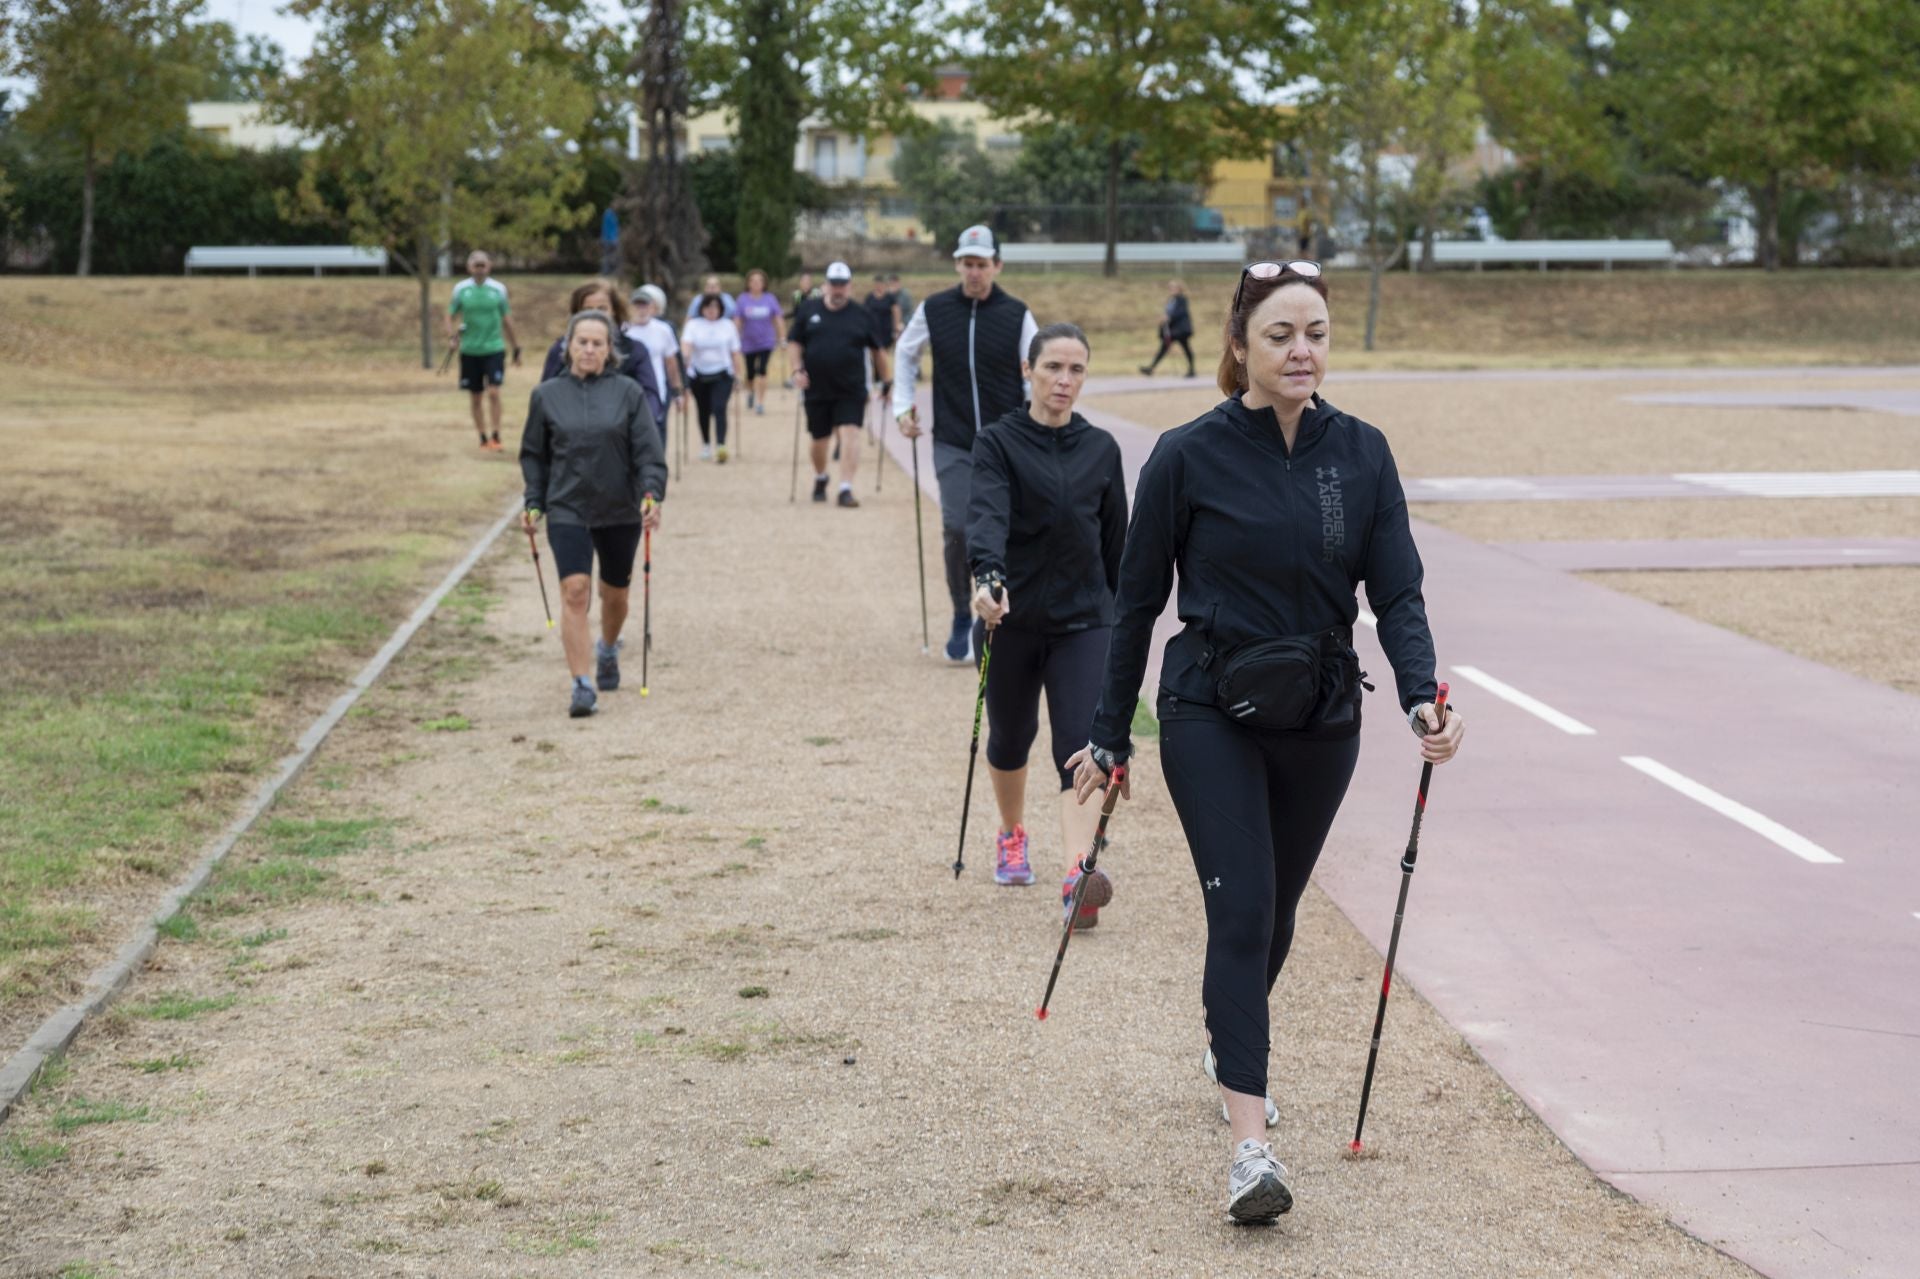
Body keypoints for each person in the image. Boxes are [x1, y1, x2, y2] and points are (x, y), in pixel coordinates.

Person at [1063, 261, 1465, 1224]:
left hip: (1324, 713)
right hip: (1209, 706)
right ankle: (1251, 1145)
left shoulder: (1360, 452)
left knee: (1277, 912)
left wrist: (1421, 697)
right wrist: (1110, 732)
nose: (1302, 350)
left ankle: (1225, 1034)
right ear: (1240, 343)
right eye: (1281, 333)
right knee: (1240, 909)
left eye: (1316, 332)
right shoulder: (1187, 453)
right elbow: (1137, 604)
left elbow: (1397, 591)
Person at [966, 323, 1128, 910]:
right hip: (1011, 617)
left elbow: (1118, 547)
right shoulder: (998, 442)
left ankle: (1077, 875)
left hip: (1085, 619)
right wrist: (986, 578)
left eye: (1076, 370)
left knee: (1080, 746)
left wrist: (1124, 620)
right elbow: (985, 514)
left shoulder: (1100, 450)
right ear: (1028, 371)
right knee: (1011, 736)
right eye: (1053, 367)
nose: (1064, 380)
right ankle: (1011, 834)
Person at [891, 225, 1038, 663]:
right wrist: (903, 406)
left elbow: (1035, 366)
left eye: (982, 264)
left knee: (1001, 530)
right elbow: (905, 353)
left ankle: (989, 612)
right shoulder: (935, 309)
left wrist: (1034, 421)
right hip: (952, 439)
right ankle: (961, 610)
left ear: (997, 265)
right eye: (967, 264)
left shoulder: (1016, 313)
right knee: (957, 526)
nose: (974, 272)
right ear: (958, 264)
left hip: (1007, 442)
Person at [520, 310, 668, 719]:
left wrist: (651, 495)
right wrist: (534, 500)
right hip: (567, 506)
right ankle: (581, 684)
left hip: (619, 507)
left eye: (597, 343)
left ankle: (607, 648)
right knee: (575, 591)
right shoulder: (546, 395)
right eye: (581, 342)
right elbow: (534, 456)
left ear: (609, 350)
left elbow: (648, 455)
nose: (588, 349)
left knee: (614, 593)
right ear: (567, 347)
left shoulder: (628, 393)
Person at [788, 260, 888, 508]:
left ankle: (846, 488)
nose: (838, 289)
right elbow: (794, 342)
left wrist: (887, 381)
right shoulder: (808, 310)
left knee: (850, 432)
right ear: (826, 285)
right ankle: (821, 476)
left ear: (850, 287)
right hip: (816, 387)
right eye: (834, 284)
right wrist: (796, 369)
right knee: (819, 440)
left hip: (851, 388)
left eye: (843, 285)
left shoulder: (862, 315)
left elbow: (878, 351)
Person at [541, 280, 665, 433]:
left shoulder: (634, 351)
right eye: (587, 309)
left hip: (622, 435)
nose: (595, 315)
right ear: (577, 313)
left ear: (614, 310)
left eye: (602, 309)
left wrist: (638, 427)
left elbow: (650, 396)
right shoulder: (561, 350)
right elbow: (546, 397)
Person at [446, 250, 522, 451]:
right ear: (469, 267)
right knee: (476, 396)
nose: (479, 268)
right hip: (470, 350)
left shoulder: (498, 290)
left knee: (494, 392)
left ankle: (496, 435)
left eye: (483, 264)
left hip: (494, 348)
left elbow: (507, 319)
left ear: (489, 266)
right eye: (476, 265)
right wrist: (451, 337)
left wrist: (516, 347)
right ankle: (482, 437)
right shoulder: (461, 289)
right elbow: (450, 315)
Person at [682, 293, 745, 462]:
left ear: (721, 309)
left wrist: (738, 376)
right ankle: (706, 444)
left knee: (719, 407)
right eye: (708, 307)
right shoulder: (693, 325)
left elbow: (735, 352)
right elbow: (687, 346)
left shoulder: (728, 326)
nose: (711, 310)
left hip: (723, 373)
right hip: (699, 374)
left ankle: (721, 445)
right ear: (702, 309)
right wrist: (685, 361)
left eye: (715, 307)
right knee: (703, 410)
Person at [625, 285, 685, 438]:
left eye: (644, 305)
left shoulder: (663, 330)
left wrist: (677, 391)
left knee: (657, 432)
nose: (641, 309)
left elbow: (671, 363)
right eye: (637, 305)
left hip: (657, 390)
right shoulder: (623, 329)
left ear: (651, 307)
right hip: (630, 391)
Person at [734, 268, 784, 416]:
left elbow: (778, 319)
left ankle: (760, 402)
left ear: (764, 284)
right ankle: (750, 392)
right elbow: (737, 320)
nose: (756, 283)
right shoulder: (743, 299)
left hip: (766, 341)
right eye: (753, 281)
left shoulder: (770, 299)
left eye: (759, 281)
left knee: (762, 370)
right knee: (750, 373)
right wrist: (733, 338)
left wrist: (782, 337)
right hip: (748, 343)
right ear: (748, 283)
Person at [1139, 279, 1196, 377]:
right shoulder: (1171, 300)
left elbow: (1180, 313)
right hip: (1173, 330)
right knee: (1165, 348)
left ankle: (1191, 370)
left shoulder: (1182, 299)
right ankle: (1151, 368)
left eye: (1174, 287)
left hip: (1180, 330)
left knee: (1185, 349)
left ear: (1179, 289)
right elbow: (1168, 313)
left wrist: (1168, 317)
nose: (1172, 290)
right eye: (1171, 288)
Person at [864, 271, 902, 346]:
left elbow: (896, 312)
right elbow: (864, 312)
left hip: (886, 330)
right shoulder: (869, 297)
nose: (878, 286)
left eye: (880, 283)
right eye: (876, 284)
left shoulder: (890, 297)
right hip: (873, 330)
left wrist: (896, 328)